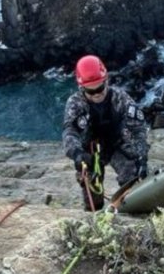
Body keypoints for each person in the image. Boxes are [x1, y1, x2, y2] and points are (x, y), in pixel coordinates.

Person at [63, 55, 149, 210]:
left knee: (132, 179)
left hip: (117, 145)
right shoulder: (75, 103)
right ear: (81, 88)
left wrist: (142, 157)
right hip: (90, 152)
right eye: (90, 90)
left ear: (106, 81)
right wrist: (77, 154)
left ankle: (130, 209)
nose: (96, 94)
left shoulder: (120, 98)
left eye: (100, 88)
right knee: (93, 200)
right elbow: (70, 132)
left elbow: (138, 128)